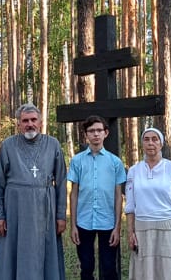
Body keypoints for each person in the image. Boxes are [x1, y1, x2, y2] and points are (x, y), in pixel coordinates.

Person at [0, 103, 67, 280]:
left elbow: (62, 181)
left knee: (44, 253)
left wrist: (61, 215)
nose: (29, 124)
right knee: (14, 252)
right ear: (18, 124)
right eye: (25, 121)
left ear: (40, 122)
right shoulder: (8, 146)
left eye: (33, 120)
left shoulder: (53, 145)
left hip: (45, 211)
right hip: (16, 211)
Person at [125, 127, 171, 280]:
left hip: (169, 229)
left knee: (169, 272)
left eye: (155, 139)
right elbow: (130, 205)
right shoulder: (134, 171)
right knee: (146, 273)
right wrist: (130, 232)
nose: (151, 143)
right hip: (143, 229)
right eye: (146, 139)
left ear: (161, 144)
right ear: (142, 143)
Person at [68, 115, 126, 280]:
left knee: (109, 267)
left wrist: (117, 227)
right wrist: (73, 226)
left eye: (99, 130)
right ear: (86, 135)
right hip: (84, 221)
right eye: (91, 131)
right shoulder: (77, 161)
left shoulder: (115, 162)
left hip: (107, 221)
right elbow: (74, 193)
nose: (95, 134)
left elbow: (118, 196)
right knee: (86, 267)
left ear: (106, 133)